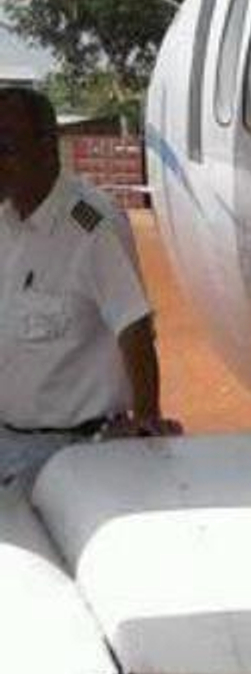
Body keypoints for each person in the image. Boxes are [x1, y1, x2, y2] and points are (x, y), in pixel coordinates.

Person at [0, 86, 173, 491]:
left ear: (47, 147)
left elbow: (135, 327)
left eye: (6, 147)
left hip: (71, 454)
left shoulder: (91, 226)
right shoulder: (5, 223)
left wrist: (147, 423)